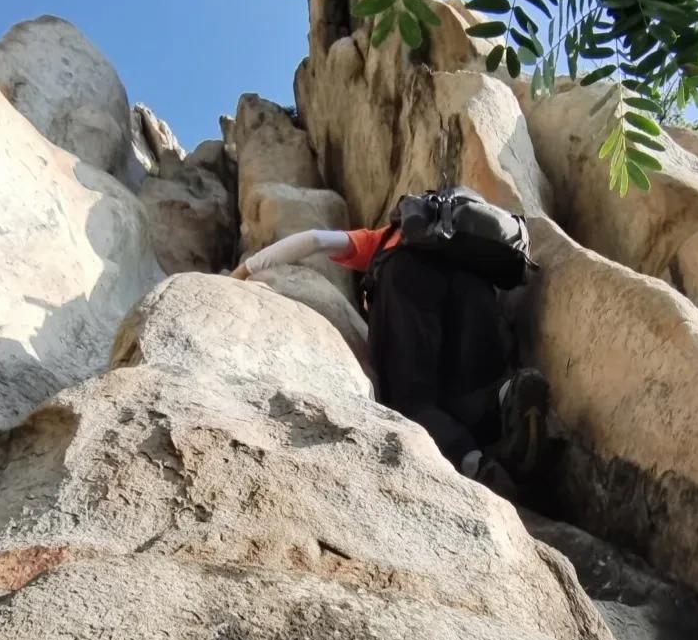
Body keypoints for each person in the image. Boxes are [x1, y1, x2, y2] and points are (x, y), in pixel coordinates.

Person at [232, 199, 549, 496]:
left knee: (412, 401)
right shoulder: (464, 249)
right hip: (476, 288)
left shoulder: (389, 237)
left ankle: (477, 468)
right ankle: (510, 393)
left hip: (409, 281)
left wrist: (247, 269)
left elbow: (315, 239)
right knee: (470, 389)